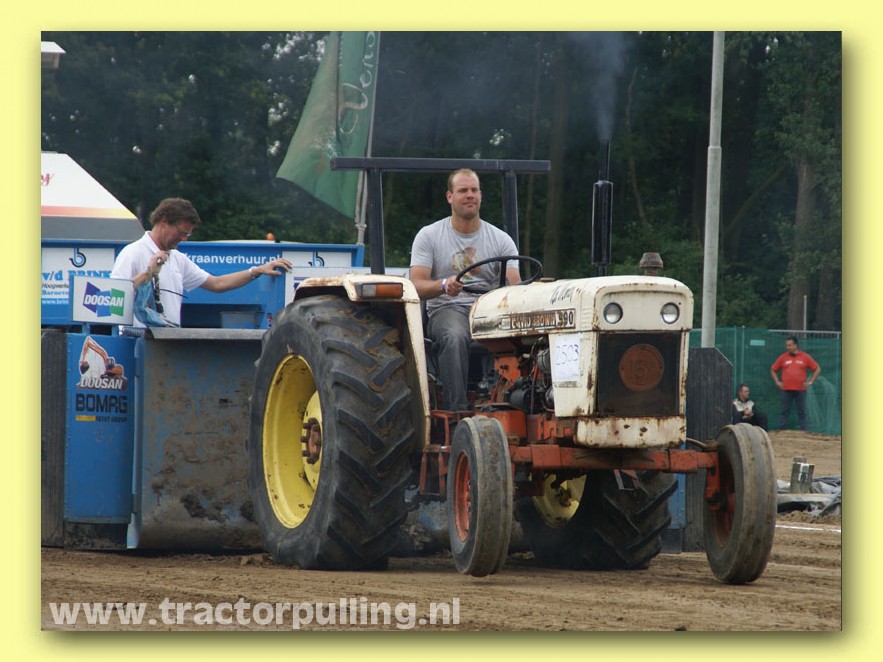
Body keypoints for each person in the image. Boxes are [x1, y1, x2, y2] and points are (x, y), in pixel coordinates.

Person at [409, 169, 521, 411]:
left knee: (526, 335)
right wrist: (442, 285)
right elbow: (415, 285)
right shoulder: (429, 236)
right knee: (454, 335)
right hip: (447, 308)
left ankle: (517, 402)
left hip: (489, 310)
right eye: (463, 190)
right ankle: (457, 411)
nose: (470, 195)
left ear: (480, 195)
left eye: (474, 190)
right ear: (450, 197)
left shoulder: (501, 240)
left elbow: (515, 288)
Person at [111, 198, 292, 328]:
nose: (184, 239)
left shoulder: (178, 259)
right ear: (164, 221)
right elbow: (115, 297)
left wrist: (257, 270)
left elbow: (217, 283)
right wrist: (148, 273)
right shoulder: (132, 253)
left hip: (167, 343)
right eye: (182, 233)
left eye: (188, 235)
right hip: (136, 343)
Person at [770, 335, 821, 431]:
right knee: (784, 411)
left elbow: (817, 369)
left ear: (795, 345)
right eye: (787, 345)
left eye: (789, 345)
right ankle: (781, 431)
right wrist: (777, 381)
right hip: (786, 389)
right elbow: (773, 369)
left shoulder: (805, 357)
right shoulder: (783, 357)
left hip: (800, 389)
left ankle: (804, 431)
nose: (787, 347)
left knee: (801, 411)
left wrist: (810, 381)